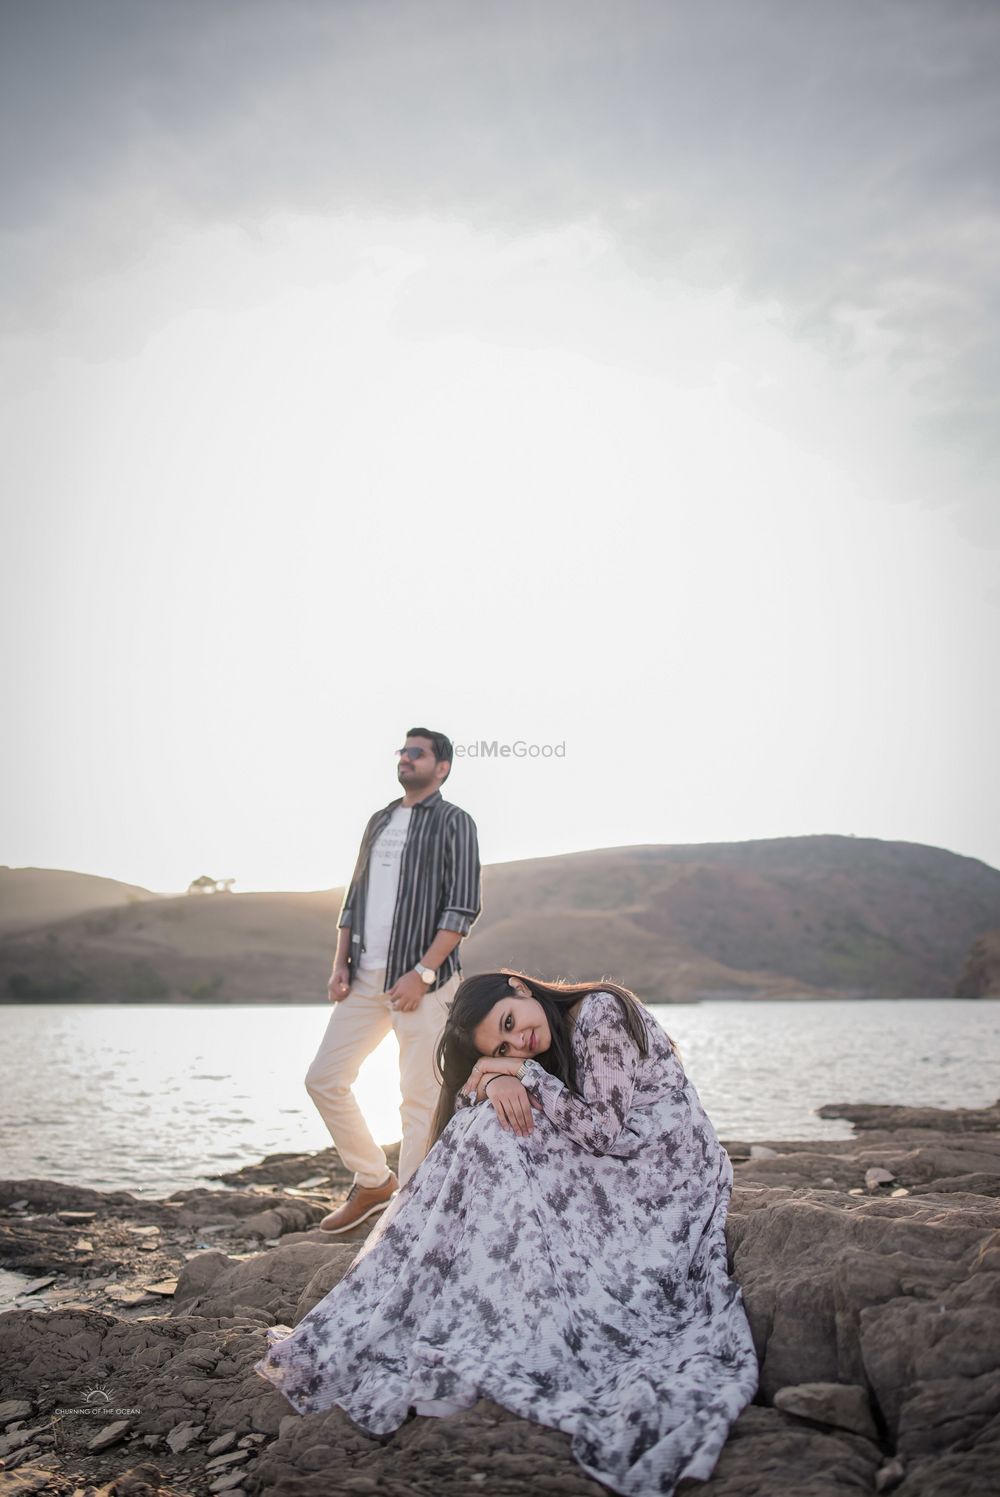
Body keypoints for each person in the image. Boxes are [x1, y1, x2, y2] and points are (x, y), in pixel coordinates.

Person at [258, 969, 759, 1496]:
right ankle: (455, 1299)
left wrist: (516, 1071)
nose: (519, 1041)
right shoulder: (546, 1039)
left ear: (520, 989)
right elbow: (488, 1108)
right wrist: (498, 1076)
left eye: (510, 1024)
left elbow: (603, 1130)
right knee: (490, 1125)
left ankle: (451, 1297)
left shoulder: (601, 1011)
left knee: (499, 1131)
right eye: (504, 1041)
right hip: (623, 1163)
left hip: (667, 1170)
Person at [305, 726, 481, 1233]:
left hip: (424, 981)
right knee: (324, 1079)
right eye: (402, 751)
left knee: (420, 1094)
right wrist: (340, 963)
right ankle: (373, 1181)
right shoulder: (380, 820)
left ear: (441, 766)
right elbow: (354, 897)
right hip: (364, 978)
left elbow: (462, 906)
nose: (405, 758)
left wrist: (423, 973)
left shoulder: (455, 822)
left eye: (416, 752)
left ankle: (409, 1212)